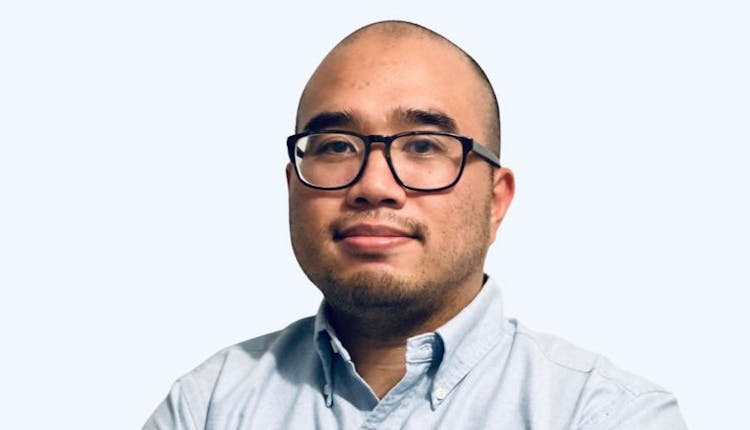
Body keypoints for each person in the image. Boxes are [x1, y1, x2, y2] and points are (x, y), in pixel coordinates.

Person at [143, 21, 687, 429]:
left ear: (497, 200)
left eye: (424, 145)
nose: (374, 185)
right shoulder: (207, 405)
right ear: (293, 188)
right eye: (336, 146)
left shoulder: (605, 415)